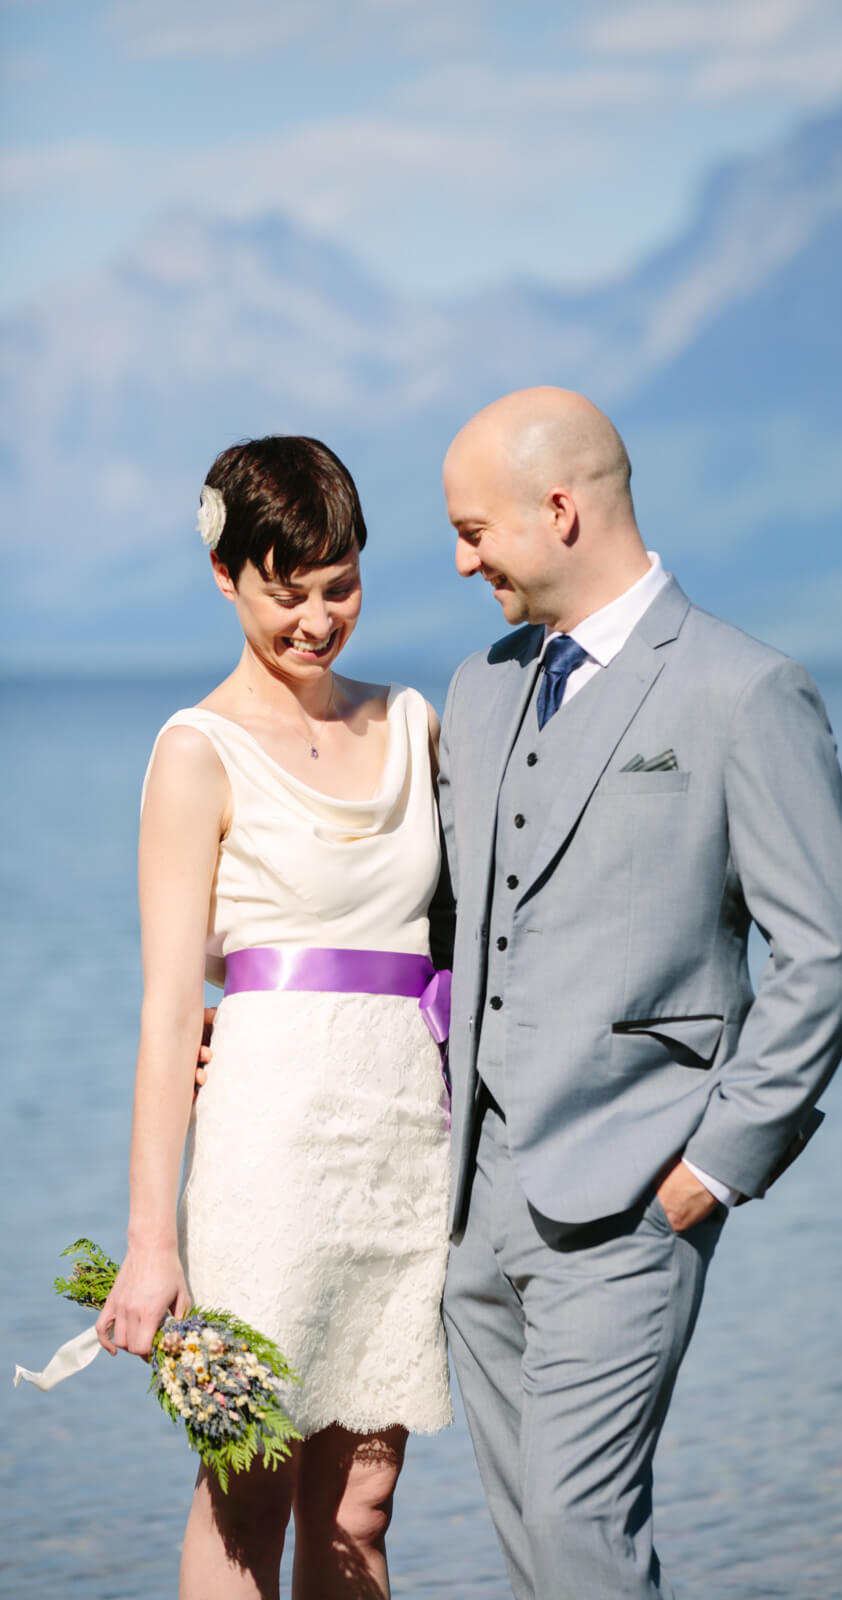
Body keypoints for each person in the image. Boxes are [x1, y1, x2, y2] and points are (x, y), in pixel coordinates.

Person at [436, 387, 842, 1599]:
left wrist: (722, 1159)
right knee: (532, 1543)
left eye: (475, 531)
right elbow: (445, 919)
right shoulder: (479, 687)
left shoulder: (743, 689)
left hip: (635, 1195)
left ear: (560, 510)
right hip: (475, 1208)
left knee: (582, 1531)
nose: (462, 558)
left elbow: (826, 947)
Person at [96, 436, 452, 1600]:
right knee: (247, 1484)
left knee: (363, 1499)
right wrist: (152, 1243)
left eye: (339, 585)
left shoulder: (414, 722)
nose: (316, 619)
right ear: (224, 575)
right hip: (268, 1148)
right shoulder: (196, 753)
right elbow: (164, 1007)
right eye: (284, 592)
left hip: (403, 1141)